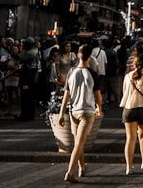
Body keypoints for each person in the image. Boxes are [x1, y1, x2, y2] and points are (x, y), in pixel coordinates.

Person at [58, 42, 103, 183]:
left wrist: (61, 113)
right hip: (87, 111)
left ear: (78, 55)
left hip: (73, 111)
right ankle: (70, 172)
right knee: (79, 142)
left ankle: (82, 168)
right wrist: (99, 107)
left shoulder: (71, 72)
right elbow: (98, 95)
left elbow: (66, 94)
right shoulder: (93, 74)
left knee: (78, 142)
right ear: (90, 56)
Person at [120, 44, 143, 174]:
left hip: (129, 108)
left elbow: (124, 93)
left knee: (130, 138)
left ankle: (129, 167)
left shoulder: (127, 77)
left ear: (134, 64)